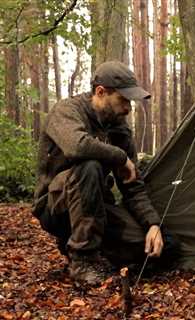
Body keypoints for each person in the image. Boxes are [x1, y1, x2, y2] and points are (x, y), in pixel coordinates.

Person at [32, 61, 175, 286]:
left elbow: (132, 185)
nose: (129, 108)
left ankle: (90, 247)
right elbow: (77, 146)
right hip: (55, 206)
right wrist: (120, 157)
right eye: (123, 99)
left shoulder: (120, 129)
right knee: (90, 165)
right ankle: (82, 260)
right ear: (101, 92)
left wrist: (152, 225)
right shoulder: (67, 111)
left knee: (162, 246)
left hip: (97, 209)